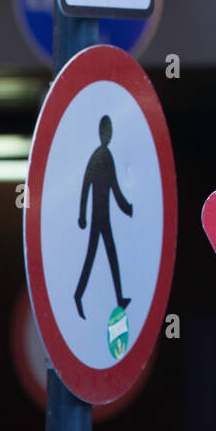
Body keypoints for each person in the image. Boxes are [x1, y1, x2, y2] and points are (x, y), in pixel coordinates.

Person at [74, 115, 132, 319]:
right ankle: (78, 295)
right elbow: (85, 187)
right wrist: (82, 216)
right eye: (105, 131)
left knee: (109, 256)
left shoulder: (107, 156)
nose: (107, 136)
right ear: (101, 133)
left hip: (104, 217)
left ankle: (117, 298)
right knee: (93, 258)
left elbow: (115, 188)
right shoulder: (98, 157)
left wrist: (127, 208)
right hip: (98, 217)